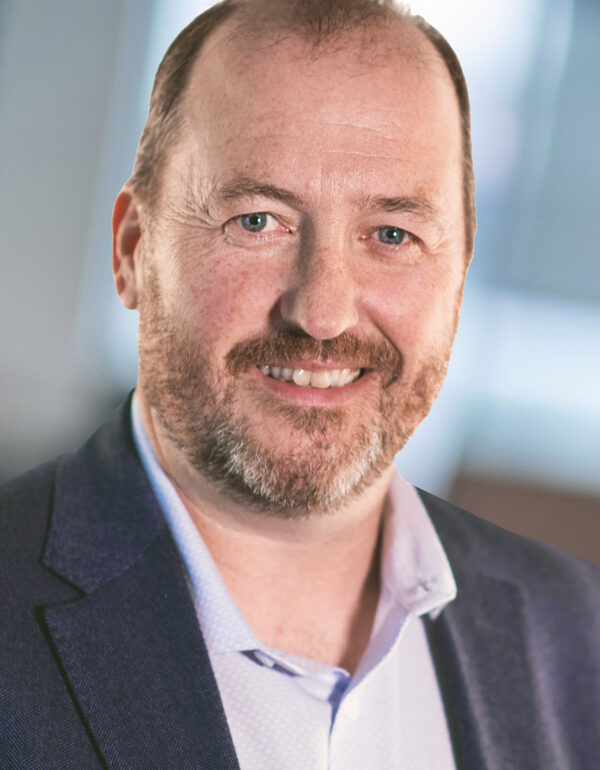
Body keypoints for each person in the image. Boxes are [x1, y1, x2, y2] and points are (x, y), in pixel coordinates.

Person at [1, 0, 598, 767]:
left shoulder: (578, 637)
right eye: (258, 221)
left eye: (392, 235)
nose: (321, 313)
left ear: (458, 277)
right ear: (133, 250)